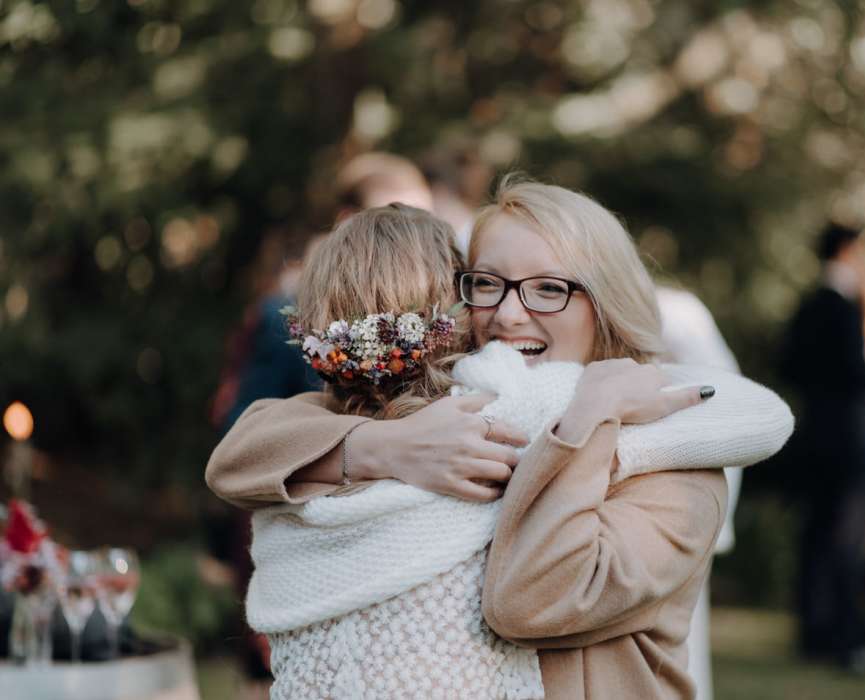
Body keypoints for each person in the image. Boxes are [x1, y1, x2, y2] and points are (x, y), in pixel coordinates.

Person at [207, 178, 795, 699]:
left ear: (607, 304)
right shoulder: (444, 412)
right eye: (488, 284)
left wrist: (585, 422)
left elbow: (530, 602)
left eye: (548, 289)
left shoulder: (676, 468)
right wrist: (389, 448)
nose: (509, 316)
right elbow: (238, 457)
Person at [781, 222, 865, 672]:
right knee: (848, 539)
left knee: (816, 536)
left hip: (812, 434)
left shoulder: (807, 305)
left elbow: (788, 364)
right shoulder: (846, 307)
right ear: (846, 250)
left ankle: (813, 634)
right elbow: (855, 371)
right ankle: (846, 640)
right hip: (846, 438)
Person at [655, 285, 742, 700]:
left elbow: (725, 399)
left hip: (680, 504)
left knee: (683, 640)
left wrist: (712, 522)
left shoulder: (679, 310)